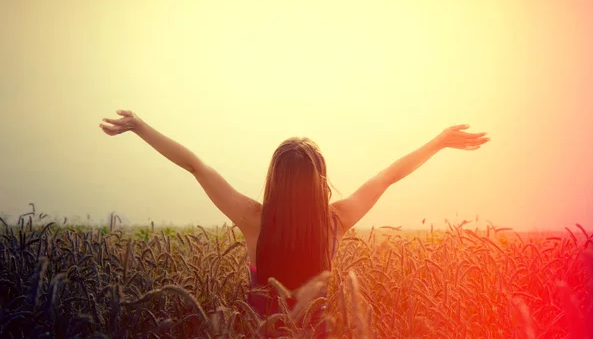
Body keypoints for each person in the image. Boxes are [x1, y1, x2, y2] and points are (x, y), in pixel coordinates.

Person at [99, 110, 490, 332]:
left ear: (275, 179)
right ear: (319, 182)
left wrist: (140, 127)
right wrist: (438, 142)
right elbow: (388, 176)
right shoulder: (336, 222)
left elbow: (195, 166)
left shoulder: (253, 220)